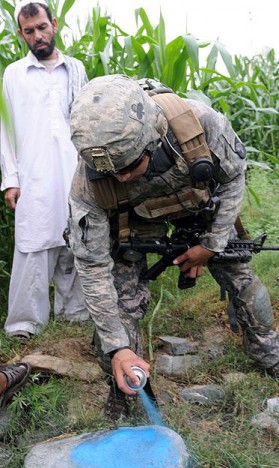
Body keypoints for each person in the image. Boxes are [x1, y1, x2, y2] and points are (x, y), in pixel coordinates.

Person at [67, 74, 279, 419]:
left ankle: (267, 350)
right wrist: (117, 346)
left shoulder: (201, 126)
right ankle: (128, 388)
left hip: (198, 203)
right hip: (133, 219)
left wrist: (211, 244)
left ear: (155, 139)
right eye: (112, 173)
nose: (120, 178)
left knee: (241, 276)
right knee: (120, 307)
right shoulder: (88, 184)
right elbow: (91, 267)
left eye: (130, 166)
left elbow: (234, 178)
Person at [0, 0, 89, 341]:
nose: (37, 36)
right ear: (21, 35)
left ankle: (74, 319)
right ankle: (24, 326)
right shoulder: (14, 74)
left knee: (76, 245)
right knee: (33, 247)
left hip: (74, 176)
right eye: (29, 31)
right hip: (33, 177)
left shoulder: (76, 69)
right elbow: (6, 133)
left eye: (42, 27)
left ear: (54, 24)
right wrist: (11, 180)